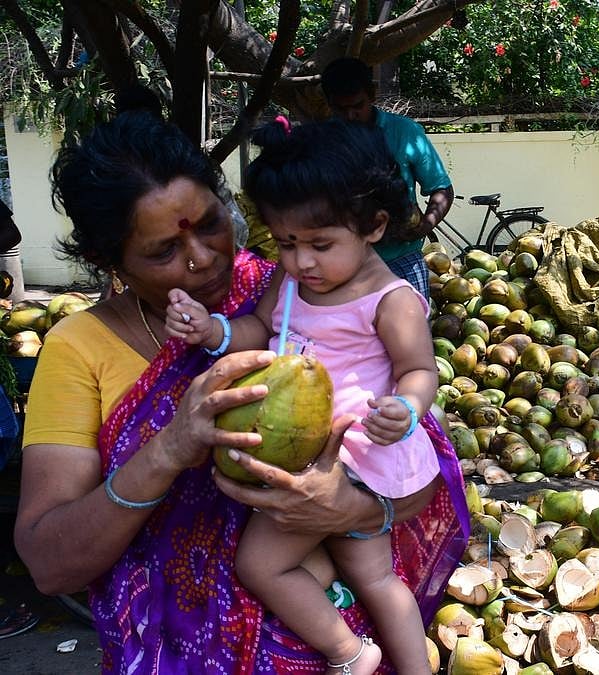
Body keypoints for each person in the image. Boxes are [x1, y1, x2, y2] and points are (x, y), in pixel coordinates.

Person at [13, 111, 468, 674]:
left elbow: (427, 470)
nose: (202, 257)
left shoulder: (296, 282)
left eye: (210, 224)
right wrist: (170, 448)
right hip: (175, 649)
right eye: (162, 252)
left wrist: (346, 509)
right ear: (109, 262)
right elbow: (50, 566)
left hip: (330, 626)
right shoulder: (79, 347)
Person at [165, 117, 439, 674]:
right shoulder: (288, 284)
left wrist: (407, 409)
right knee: (371, 577)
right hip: (296, 453)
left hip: (353, 462)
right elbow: (256, 329)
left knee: (265, 566)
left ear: (375, 226)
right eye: (286, 243)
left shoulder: (392, 300)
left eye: (320, 244)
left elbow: (420, 370)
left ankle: (351, 655)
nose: (301, 262)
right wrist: (213, 331)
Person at [321, 56, 454, 298]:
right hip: (343, 267)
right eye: (341, 109)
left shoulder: (405, 132)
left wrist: (426, 224)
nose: (350, 116)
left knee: (409, 334)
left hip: (402, 261)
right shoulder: (322, 141)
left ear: (372, 95)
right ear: (329, 103)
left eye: (357, 106)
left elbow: (442, 188)